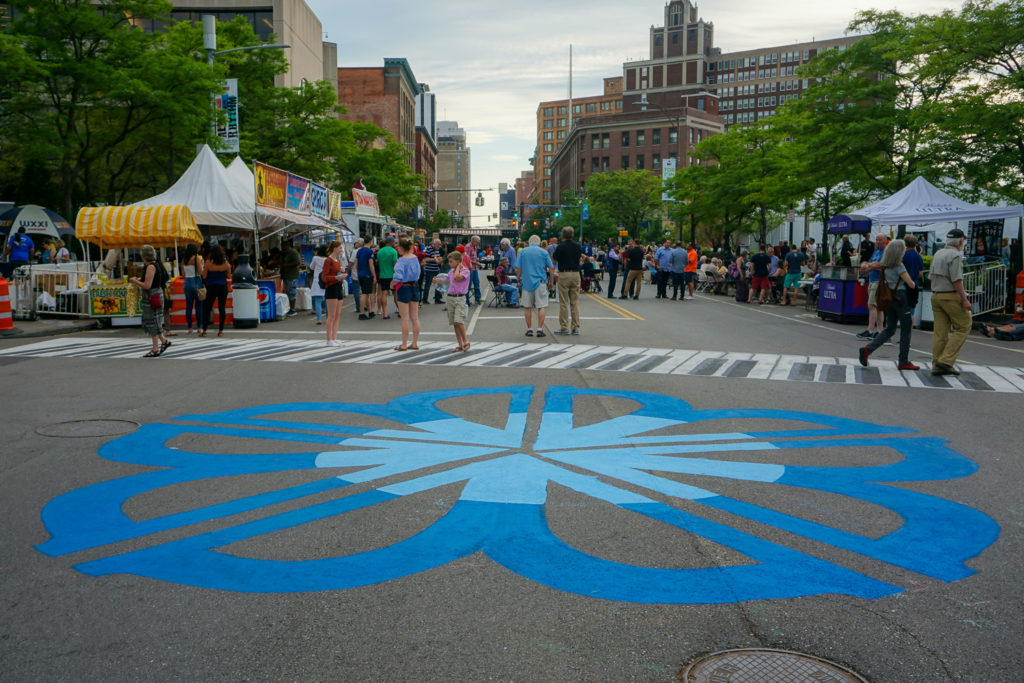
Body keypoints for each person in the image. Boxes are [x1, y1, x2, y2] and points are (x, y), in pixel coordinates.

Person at [858, 239, 920, 371]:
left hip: (889, 297)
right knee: (906, 328)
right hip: (901, 297)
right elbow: (911, 284)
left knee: (890, 329)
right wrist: (914, 284)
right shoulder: (899, 266)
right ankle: (903, 361)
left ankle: (868, 349)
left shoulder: (884, 266)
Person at [929, 228, 973, 375]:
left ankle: (936, 364)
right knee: (964, 325)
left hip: (936, 295)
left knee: (940, 333)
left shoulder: (938, 254)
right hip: (950, 295)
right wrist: (964, 299)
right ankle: (946, 360)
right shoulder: (955, 256)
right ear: (960, 241)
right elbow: (957, 280)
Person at [129, 244, 170, 357]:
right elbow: (149, 280)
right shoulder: (155, 265)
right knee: (155, 320)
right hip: (155, 294)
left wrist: (135, 281)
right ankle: (164, 341)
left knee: (153, 321)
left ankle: (155, 348)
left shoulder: (150, 267)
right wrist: (139, 279)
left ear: (144, 256)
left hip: (152, 296)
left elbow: (147, 285)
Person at [516, 234, 554, 338]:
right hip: (540, 282)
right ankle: (540, 329)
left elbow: (518, 268)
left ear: (529, 242)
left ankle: (529, 329)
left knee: (527, 306)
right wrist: (551, 281)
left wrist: (518, 278)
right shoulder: (544, 252)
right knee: (541, 306)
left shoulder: (523, 252)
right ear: (539, 242)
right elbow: (551, 268)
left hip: (527, 282)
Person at [856, 233, 889, 340]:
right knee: (878, 307)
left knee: (872, 305)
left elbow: (881, 265)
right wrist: (866, 265)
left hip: (879, 282)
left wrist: (869, 266)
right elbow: (870, 263)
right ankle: (880, 331)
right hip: (872, 280)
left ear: (885, 241)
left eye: (880, 240)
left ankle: (870, 330)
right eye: (877, 239)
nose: (878, 242)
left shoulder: (886, 252)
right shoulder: (876, 251)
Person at [436, 251, 470, 352]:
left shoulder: (465, 271)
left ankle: (466, 341)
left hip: (460, 298)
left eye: (451, 262)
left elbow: (457, 277)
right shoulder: (451, 271)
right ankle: (460, 344)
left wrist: (459, 268)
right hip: (450, 297)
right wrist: (438, 280)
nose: (449, 264)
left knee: (459, 320)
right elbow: (448, 282)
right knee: (454, 322)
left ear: (458, 262)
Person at [553, 227, 582, 335]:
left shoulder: (560, 247)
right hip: (575, 273)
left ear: (563, 235)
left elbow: (555, 259)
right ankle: (575, 327)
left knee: (564, 302)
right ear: (572, 235)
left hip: (564, 273)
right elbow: (579, 258)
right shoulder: (577, 246)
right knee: (574, 302)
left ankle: (564, 327)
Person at [199, 244, 230, 337]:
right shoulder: (226, 263)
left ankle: (204, 330)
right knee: (222, 308)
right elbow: (228, 276)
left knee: (207, 308)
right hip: (222, 286)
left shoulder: (208, 262)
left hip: (211, 286)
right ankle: (220, 330)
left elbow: (204, 276)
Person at [321, 240, 347, 346]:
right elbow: (324, 277)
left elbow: (336, 274)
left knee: (337, 314)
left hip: (338, 286)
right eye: (340, 248)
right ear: (335, 248)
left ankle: (334, 337)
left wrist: (341, 273)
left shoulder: (337, 260)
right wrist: (337, 277)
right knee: (331, 315)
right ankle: (329, 339)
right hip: (331, 287)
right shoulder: (328, 260)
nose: (341, 250)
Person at [181, 243, 204, 334]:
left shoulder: (184, 260)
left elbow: (183, 274)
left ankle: (190, 327)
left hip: (187, 283)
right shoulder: (196, 258)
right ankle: (199, 327)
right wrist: (202, 264)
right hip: (196, 282)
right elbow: (200, 272)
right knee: (198, 306)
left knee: (189, 306)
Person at [376, 235, 398, 319]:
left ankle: (384, 312)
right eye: (394, 242)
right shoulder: (393, 251)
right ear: (391, 242)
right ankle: (400, 310)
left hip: (383, 275)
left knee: (384, 293)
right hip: (392, 275)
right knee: (395, 293)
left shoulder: (380, 252)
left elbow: (378, 263)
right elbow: (395, 264)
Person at [355, 238, 376, 320]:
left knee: (366, 293)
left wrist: (358, 272)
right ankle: (361, 313)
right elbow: (371, 264)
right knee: (365, 294)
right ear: (371, 241)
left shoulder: (359, 251)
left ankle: (370, 311)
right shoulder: (370, 251)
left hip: (360, 274)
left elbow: (356, 264)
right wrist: (374, 275)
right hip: (367, 274)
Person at [279, 239, 301, 316]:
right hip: (286, 276)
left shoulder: (293, 252)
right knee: (288, 292)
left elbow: (298, 262)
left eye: (283, 246)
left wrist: (286, 265)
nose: (282, 248)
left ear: (287, 246)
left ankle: (292, 309)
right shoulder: (284, 253)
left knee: (291, 292)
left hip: (292, 276)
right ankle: (289, 308)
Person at [421, 237, 444, 304]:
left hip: (436, 269)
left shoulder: (437, 249)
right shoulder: (429, 249)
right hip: (429, 269)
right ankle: (425, 299)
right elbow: (426, 259)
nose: (439, 246)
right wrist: (434, 259)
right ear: (434, 244)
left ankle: (437, 299)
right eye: (438, 244)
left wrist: (439, 259)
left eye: (440, 244)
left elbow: (437, 257)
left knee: (438, 284)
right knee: (428, 284)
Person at [309, 245, 327, 325]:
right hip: (326, 280)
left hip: (317, 281)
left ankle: (319, 319)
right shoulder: (328, 259)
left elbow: (311, 267)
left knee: (317, 301)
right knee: (327, 300)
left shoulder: (315, 258)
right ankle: (328, 318)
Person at [465, 235, 483, 305]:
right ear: (473, 241)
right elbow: (467, 259)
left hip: (474, 268)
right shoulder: (468, 247)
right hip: (469, 269)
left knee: (477, 283)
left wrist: (478, 259)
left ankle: (478, 298)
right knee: (468, 285)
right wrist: (476, 262)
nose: (478, 243)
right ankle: (466, 300)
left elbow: (473, 257)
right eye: (477, 242)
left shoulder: (475, 247)